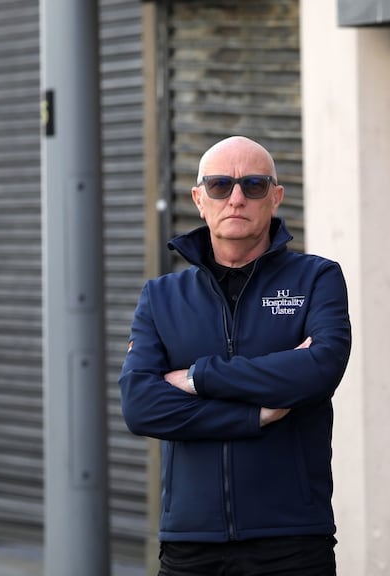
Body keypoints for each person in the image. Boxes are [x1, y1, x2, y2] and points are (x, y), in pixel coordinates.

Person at [118, 135, 352, 575]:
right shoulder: (162, 297)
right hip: (191, 544)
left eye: (254, 185)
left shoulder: (317, 279)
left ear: (276, 197)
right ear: (199, 199)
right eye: (221, 185)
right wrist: (252, 416)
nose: (237, 198)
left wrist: (196, 378)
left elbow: (318, 370)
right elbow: (140, 406)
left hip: (293, 541)